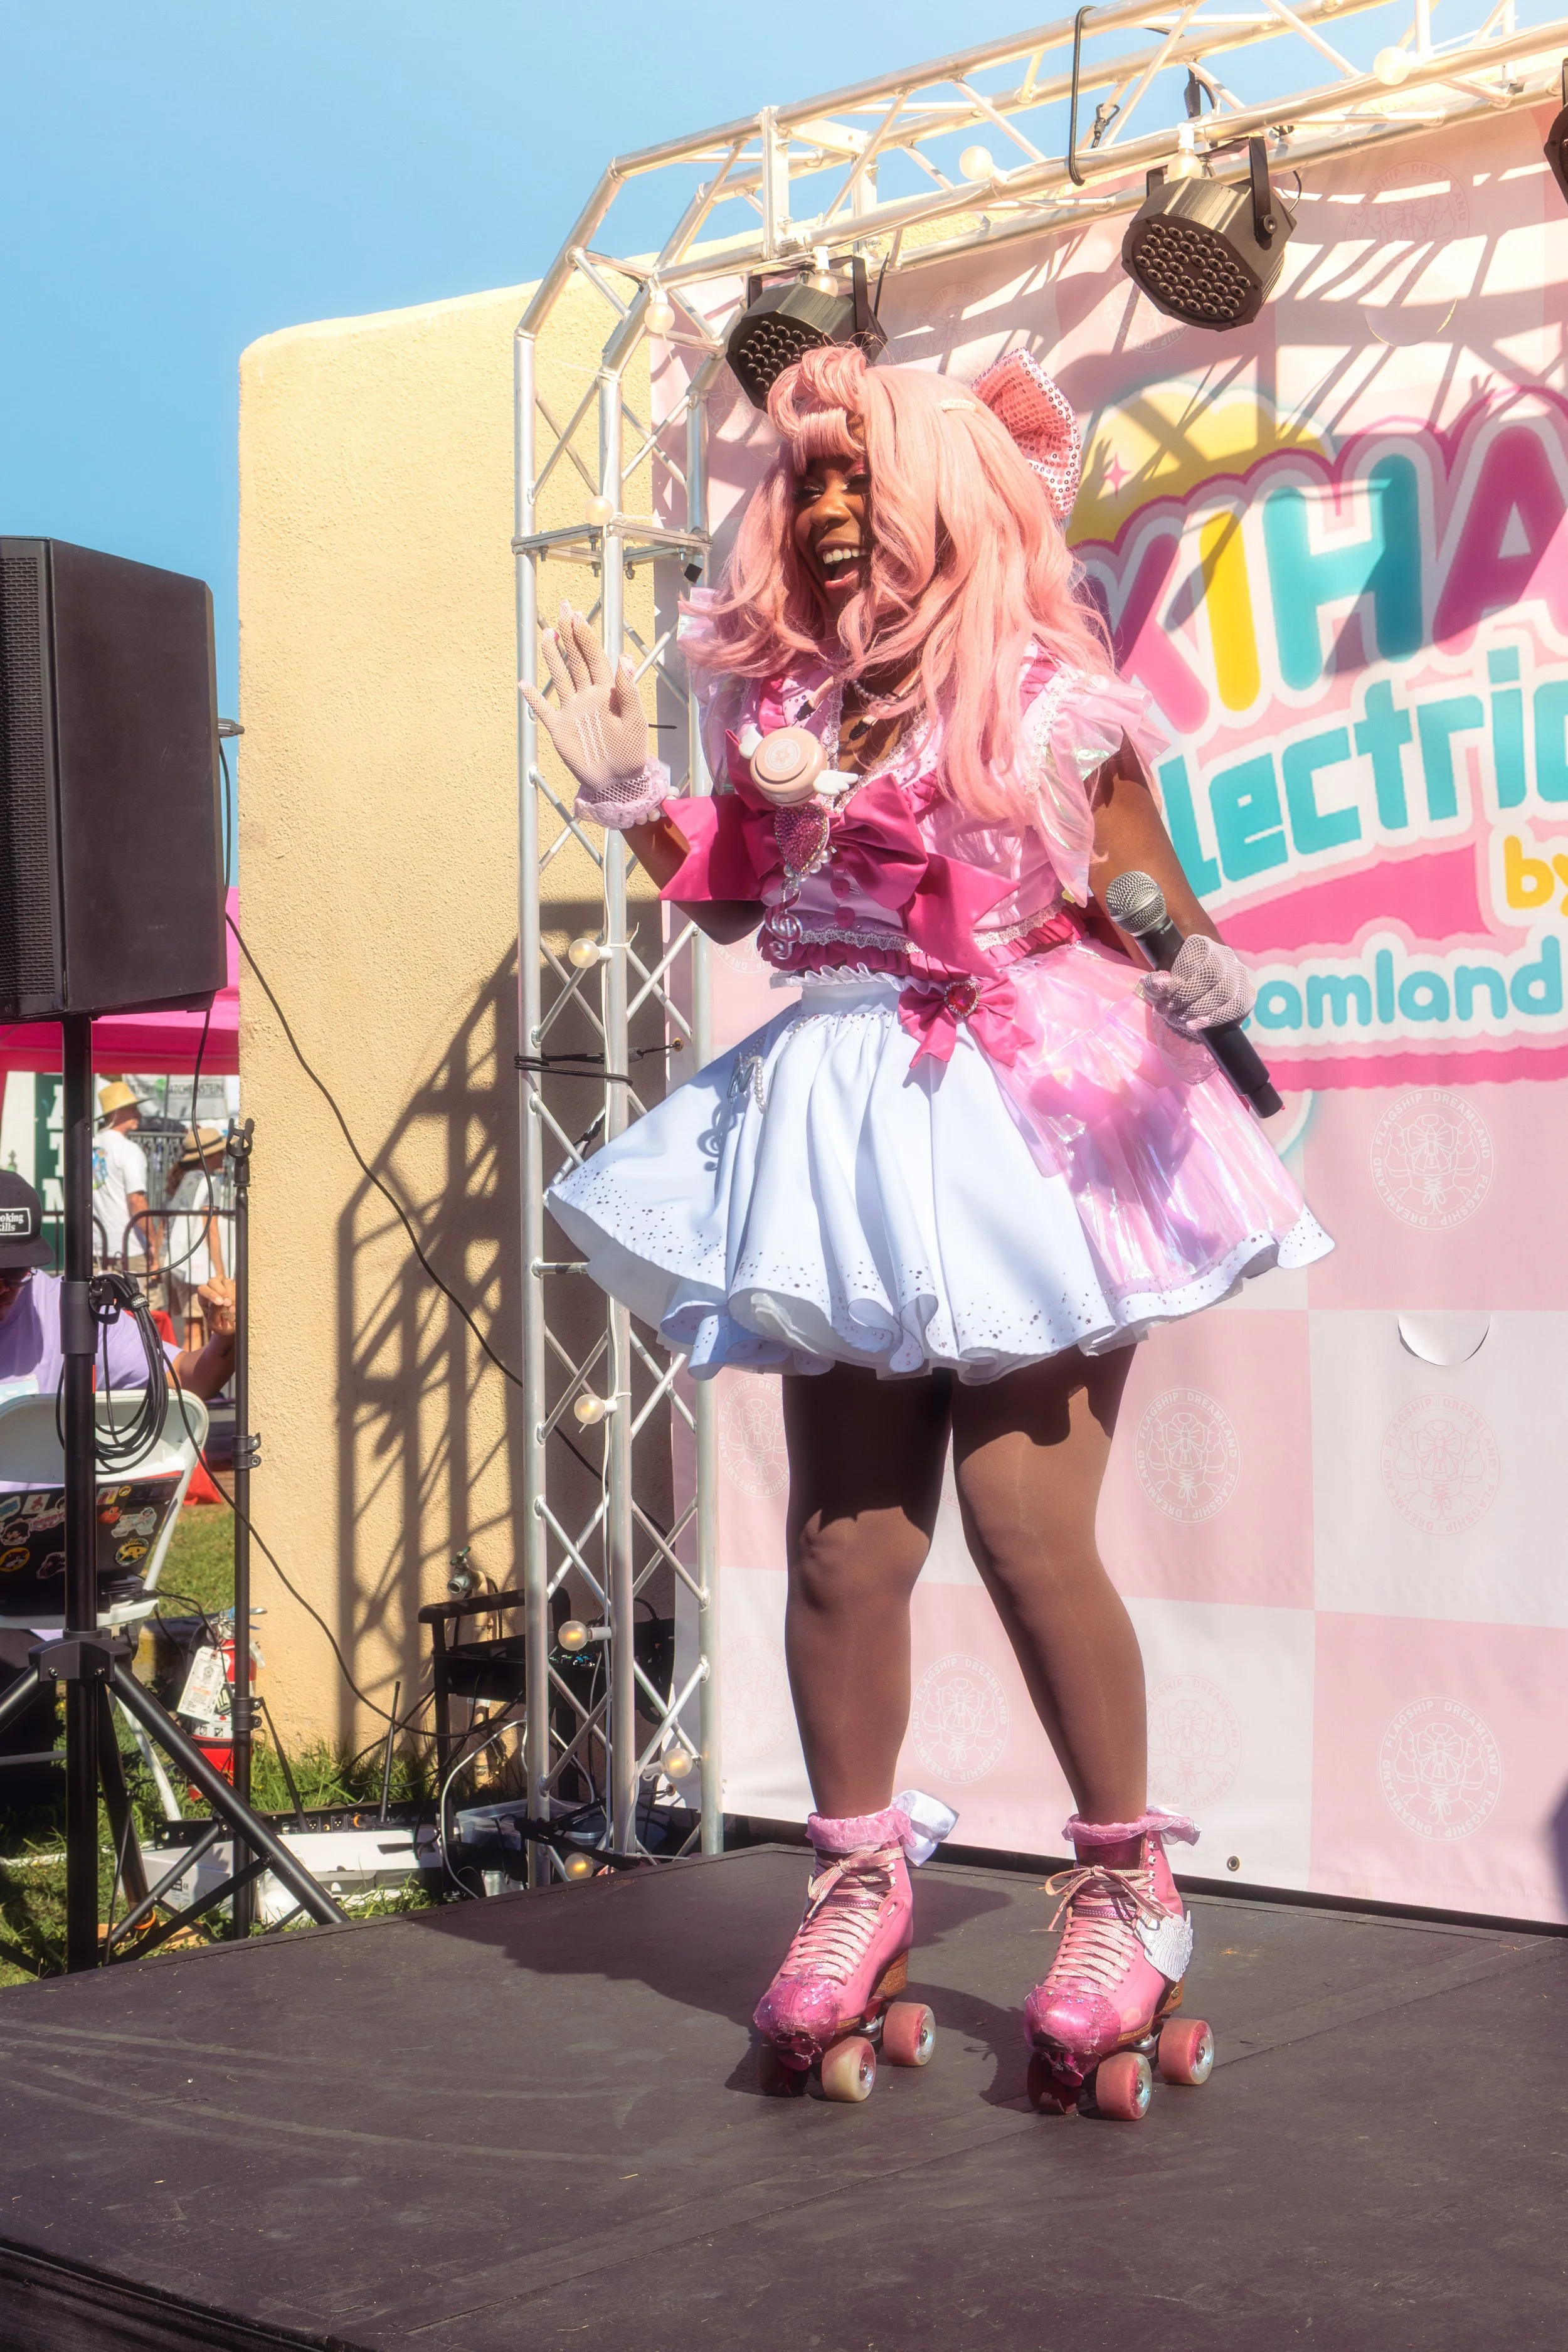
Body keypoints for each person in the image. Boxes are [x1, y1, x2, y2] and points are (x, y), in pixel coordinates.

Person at [526, 344, 1332, 2115]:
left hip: (1029, 1112)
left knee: (1026, 1522)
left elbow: (1145, 898)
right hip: (838, 1117)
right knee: (840, 1538)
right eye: (800, 490)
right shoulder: (784, 713)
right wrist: (628, 793)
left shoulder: (1051, 698)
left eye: (853, 488)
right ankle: (856, 1876)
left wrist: (1190, 957)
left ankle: (1127, 1886)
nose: (819, 519)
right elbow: (744, 890)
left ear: (946, 506)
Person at [0, 1170, 233, 1404]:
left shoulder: (71, 1308)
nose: (3, 1289)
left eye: (15, 1273)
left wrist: (225, 1338)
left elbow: (186, 1377)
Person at [163, 1127, 228, 1349]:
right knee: (197, 1331)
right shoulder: (209, 1183)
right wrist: (220, 1271)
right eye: (220, 1152)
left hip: (177, 1262)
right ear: (208, 1156)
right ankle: (192, 1382)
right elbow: (210, 1227)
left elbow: (167, 1223)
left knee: (191, 1326)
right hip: (198, 1264)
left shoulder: (182, 1181)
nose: (223, 1156)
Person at [92, 1081, 157, 1274]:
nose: (139, 1114)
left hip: (96, 1246)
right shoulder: (129, 1150)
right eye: (134, 1108)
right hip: (129, 1247)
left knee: (98, 1305)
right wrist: (153, 1243)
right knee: (141, 1302)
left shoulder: (90, 1145)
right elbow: (136, 1201)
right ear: (118, 1112)